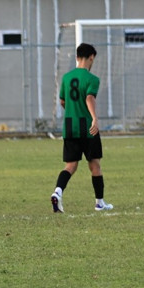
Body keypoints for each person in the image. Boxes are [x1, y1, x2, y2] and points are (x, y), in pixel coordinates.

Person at [50, 42, 113, 213]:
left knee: (70, 165)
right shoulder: (92, 79)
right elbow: (89, 98)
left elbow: (63, 101)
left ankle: (57, 192)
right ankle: (99, 203)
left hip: (70, 126)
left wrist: (73, 110)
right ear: (91, 57)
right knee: (95, 165)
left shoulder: (66, 78)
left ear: (77, 57)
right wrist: (94, 118)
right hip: (87, 128)